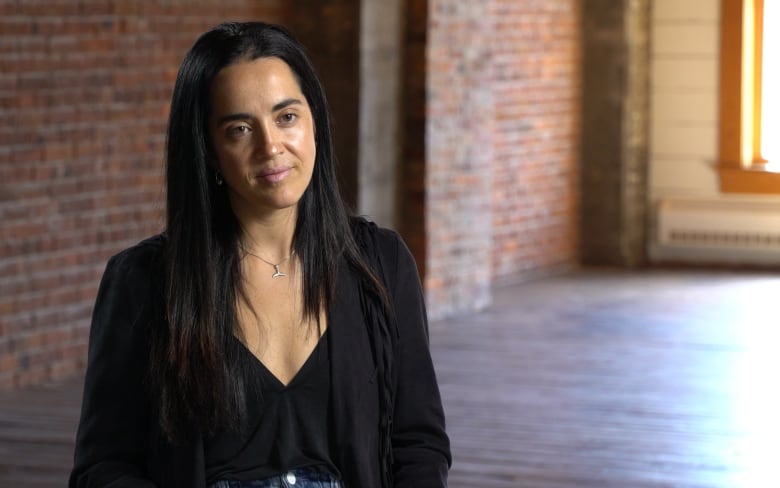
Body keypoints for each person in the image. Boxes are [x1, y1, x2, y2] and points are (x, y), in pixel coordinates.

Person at [69, 21, 450, 488]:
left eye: (286, 117)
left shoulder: (382, 263)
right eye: (240, 128)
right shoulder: (143, 281)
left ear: (315, 122)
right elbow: (104, 467)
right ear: (209, 150)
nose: (271, 147)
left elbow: (419, 444)